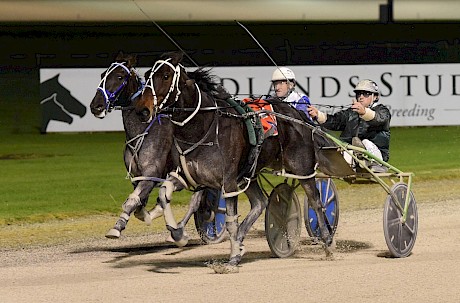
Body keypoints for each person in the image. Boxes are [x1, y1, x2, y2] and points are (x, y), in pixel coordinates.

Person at [307, 79, 391, 172]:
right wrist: (318, 114)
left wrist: (364, 112)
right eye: (359, 94)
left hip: (377, 155)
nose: (361, 97)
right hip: (352, 153)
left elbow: (379, 119)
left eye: (366, 94)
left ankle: (375, 165)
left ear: (375, 97)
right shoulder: (350, 113)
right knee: (334, 153)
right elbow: (335, 121)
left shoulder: (383, 111)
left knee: (366, 142)